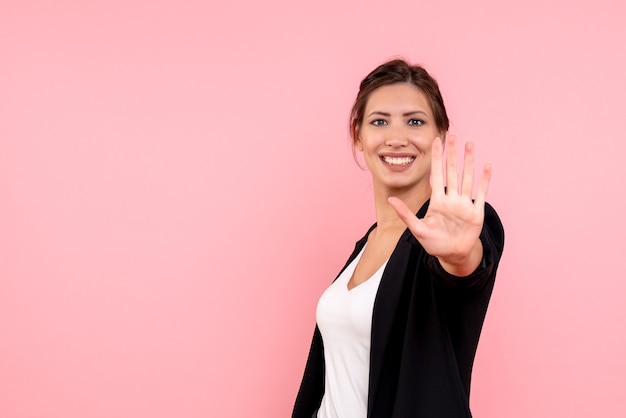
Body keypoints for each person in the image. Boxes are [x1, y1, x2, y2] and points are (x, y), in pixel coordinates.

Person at [292, 59, 505, 418]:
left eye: (415, 121)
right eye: (379, 121)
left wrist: (460, 256)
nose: (396, 137)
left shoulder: (450, 231)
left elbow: (466, 267)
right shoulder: (364, 246)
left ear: (440, 135)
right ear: (358, 135)